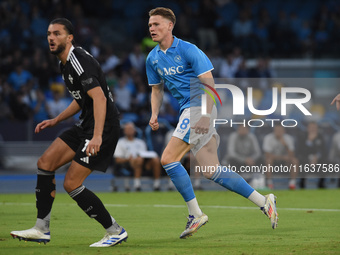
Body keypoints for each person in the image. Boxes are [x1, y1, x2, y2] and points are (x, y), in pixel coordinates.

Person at [146, 7, 278, 239]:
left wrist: (206, 115)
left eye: (156, 24)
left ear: (170, 26)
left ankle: (195, 213)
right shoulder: (152, 58)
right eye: (150, 25)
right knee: (211, 171)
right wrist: (154, 114)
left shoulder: (189, 50)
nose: (152, 28)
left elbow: (208, 83)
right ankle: (263, 200)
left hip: (199, 107)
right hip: (188, 110)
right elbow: (157, 89)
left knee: (168, 158)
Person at [10, 18, 127, 247]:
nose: (51, 38)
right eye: (48, 34)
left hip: (102, 127)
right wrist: (56, 119)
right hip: (86, 124)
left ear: (69, 37)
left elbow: (100, 99)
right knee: (45, 163)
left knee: (71, 183)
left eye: (56, 33)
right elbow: (81, 100)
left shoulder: (79, 61)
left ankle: (115, 230)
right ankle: (41, 228)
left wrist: (97, 136)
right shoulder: (64, 64)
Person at [114, 122, 161, 191]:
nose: (129, 131)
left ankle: (156, 184)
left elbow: (144, 154)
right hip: (127, 163)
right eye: (128, 129)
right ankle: (137, 185)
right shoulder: (120, 143)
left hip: (142, 163)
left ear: (134, 131)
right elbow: (117, 160)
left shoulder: (141, 142)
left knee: (156, 159)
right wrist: (128, 159)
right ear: (124, 131)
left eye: (131, 129)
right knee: (139, 160)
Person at [263, 124, 298, 189]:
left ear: (284, 131)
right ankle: (269, 183)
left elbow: (292, 154)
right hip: (273, 160)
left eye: (280, 130)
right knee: (268, 160)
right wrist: (281, 157)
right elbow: (267, 154)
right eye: (277, 130)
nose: (278, 132)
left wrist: (285, 145)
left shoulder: (288, 138)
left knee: (294, 161)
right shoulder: (268, 138)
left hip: (285, 162)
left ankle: (292, 183)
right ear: (274, 131)